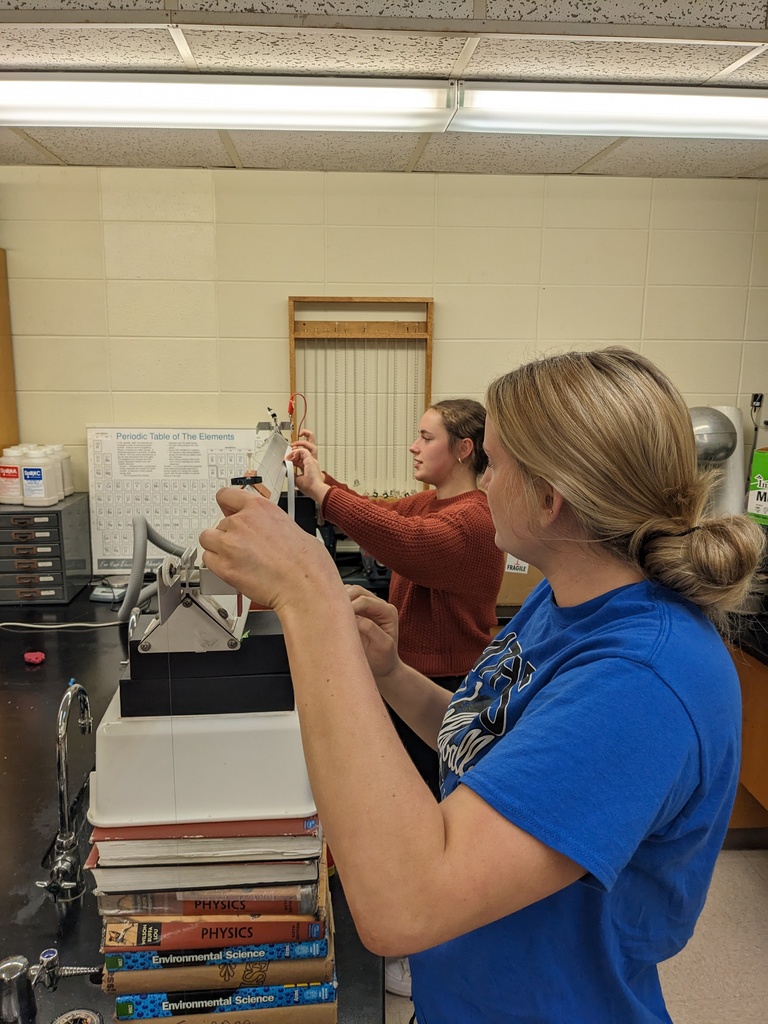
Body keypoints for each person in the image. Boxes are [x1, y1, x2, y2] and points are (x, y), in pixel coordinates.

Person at [200, 347, 764, 1023]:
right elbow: (496, 751)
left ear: (551, 500)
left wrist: (308, 597)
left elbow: (404, 905)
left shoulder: (641, 683)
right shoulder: (563, 599)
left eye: (493, 464)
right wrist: (390, 673)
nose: (482, 483)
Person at [289, 400, 505, 999]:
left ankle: (424, 953)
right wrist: (315, 475)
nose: (413, 446)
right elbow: (380, 516)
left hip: (449, 691)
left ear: (463, 449)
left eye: (425, 436)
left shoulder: (472, 520)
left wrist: (323, 496)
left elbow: (403, 541)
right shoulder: (437, 505)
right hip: (410, 682)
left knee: (423, 834)